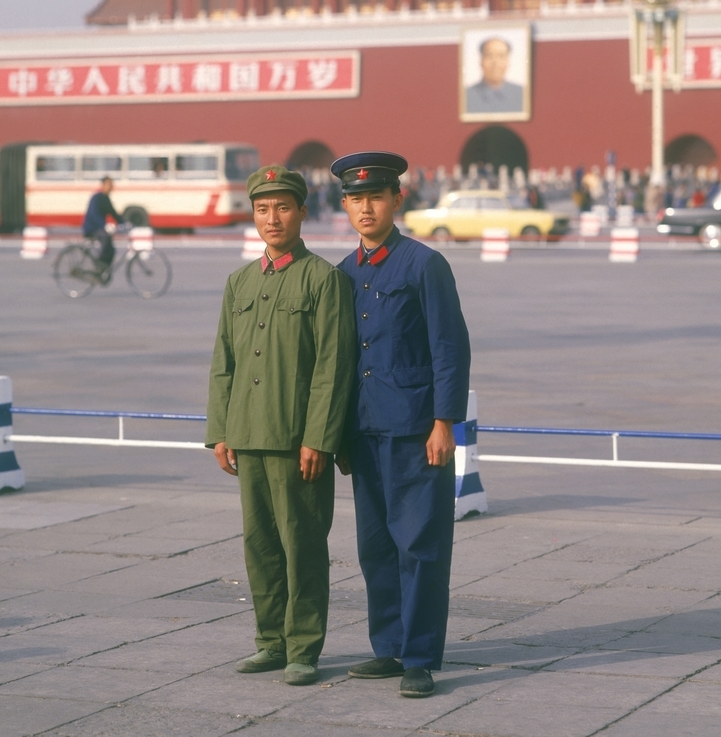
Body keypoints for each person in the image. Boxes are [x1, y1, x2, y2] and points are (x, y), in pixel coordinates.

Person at [206, 165, 356, 687]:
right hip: (247, 435)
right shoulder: (239, 282)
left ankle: (303, 648)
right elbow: (223, 361)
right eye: (263, 209)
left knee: (303, 546)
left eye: (283, 207)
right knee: (261, 545)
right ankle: (270, 641)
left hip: (297, 441)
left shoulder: (324, 279)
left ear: (302, 213)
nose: (273, 218)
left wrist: (319, 437)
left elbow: (333, 366)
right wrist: (220, 430)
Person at [331, 150, 471, 699]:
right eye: (356, 199)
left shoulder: (423, 265)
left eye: (376, 197)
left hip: (416, 430)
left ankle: (419, 658)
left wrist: (445, 422)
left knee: (420, 546)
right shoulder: (344, 273)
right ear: (345, 206)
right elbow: (342, 360)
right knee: (375, 547)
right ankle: (388, 648)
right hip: (365, 431)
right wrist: (338, 434)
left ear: (397, 200)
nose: (366, 208)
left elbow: (449, 348)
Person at [465, 37, 524, 114]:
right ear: (481, 60)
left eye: (501, 56)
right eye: (489, 56)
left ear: (508, 61)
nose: (495, 62)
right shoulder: (466, 96)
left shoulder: (522, 94)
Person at [82, 176, 123, 277]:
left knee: (112, 249)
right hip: (91, 228)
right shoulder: (96, 197)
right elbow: (93, 214)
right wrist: (105, 225)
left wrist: (124, 223)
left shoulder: (106, 198)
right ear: (103, 185)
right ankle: (99, 265)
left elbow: (113, 213)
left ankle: (105, 268)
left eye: (111, 185)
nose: (111, 187)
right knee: (106, 237)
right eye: (109, 184)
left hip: (99, 227)